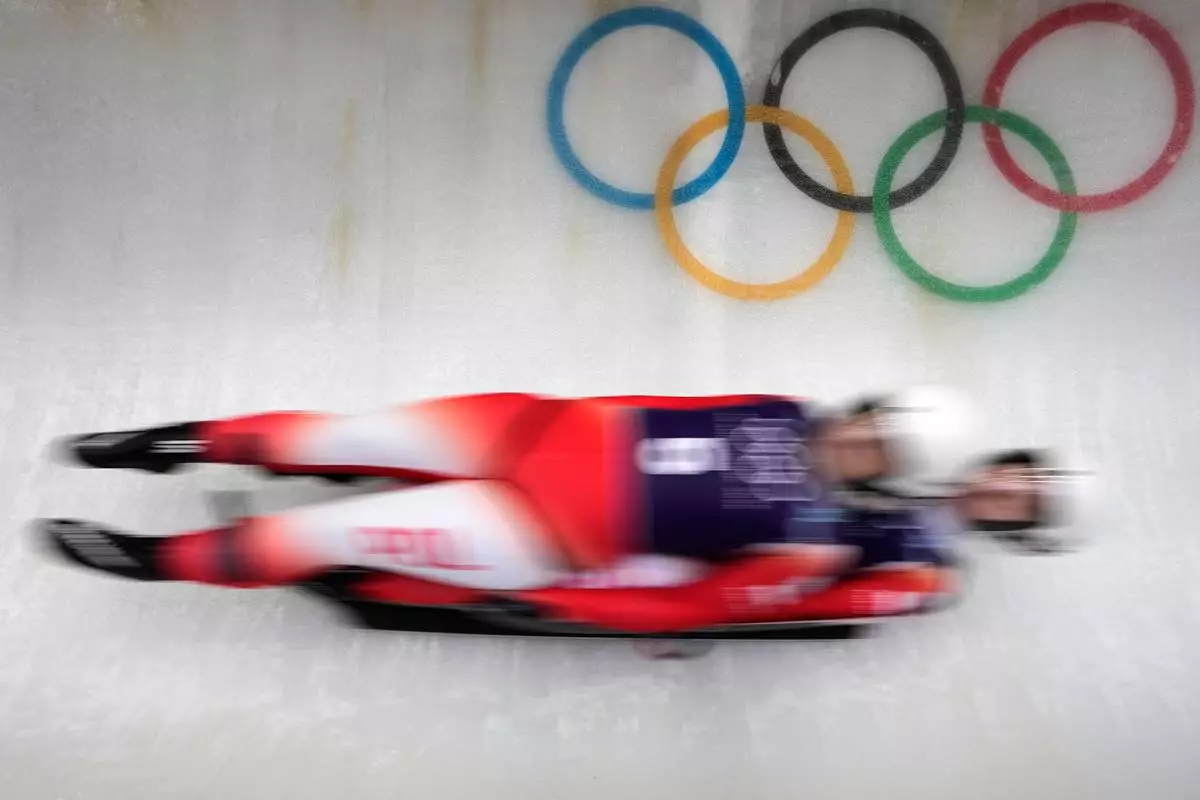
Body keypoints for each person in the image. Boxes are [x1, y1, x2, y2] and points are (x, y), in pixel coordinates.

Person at [36, 387, 1093, 632]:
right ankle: (170, 441)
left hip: (541, 533)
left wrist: (565, 602)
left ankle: (152, 557)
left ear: (889, 482)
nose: (858, 436)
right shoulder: (785, 406)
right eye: (872, 417)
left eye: (880, 450)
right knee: (339, 432)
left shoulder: (812, 541)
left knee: (323, 532)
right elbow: (656, 404)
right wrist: (554, 410)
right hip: (532, 431)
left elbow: (695, 606)